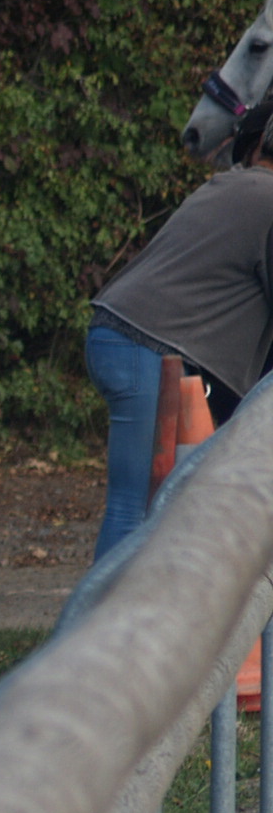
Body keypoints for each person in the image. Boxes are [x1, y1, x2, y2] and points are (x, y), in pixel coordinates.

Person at [85, 96, 273, 557]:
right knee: (136, 507)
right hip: (146, 345)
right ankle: (107, 626)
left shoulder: (234, 185)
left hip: (118, 332)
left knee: (141, 504)